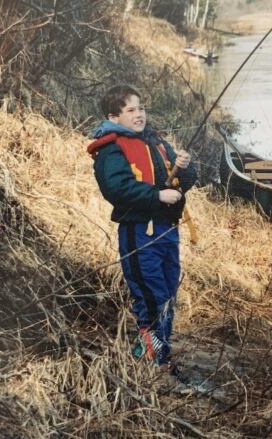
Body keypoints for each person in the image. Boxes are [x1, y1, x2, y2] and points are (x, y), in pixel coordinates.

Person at [87, 84, 197, 373]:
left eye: (141, 108)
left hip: (166, 230)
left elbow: (183, 182)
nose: (139, 115)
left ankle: (159, 355)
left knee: (168, 292)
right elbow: (116, 187)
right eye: (131, 110)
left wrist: (184, 167)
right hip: (138, 232)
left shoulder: (156, 142)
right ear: (114, 117)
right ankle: (150, 359)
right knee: (151, 294)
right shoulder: (111, 148)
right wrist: (156, 196)